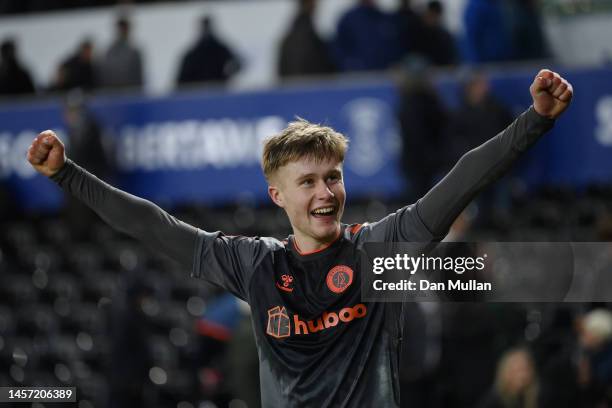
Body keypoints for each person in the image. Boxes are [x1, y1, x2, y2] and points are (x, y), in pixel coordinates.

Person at [26, 69, 573, 407]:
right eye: (307, 182)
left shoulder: (378, 249)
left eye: (333, 177)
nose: (325, 192)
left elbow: (461, 180)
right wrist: (67, 174)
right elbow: (152, 225)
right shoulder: (253, 266)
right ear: (277, 196)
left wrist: (536, 120)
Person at [176, 16, 240, 87]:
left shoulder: (220, 49)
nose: (206, 31)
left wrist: (225, 77)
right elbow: (181, 81)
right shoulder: (192, 53)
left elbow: (236, 64)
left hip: (217, 88)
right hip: (200, 91)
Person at [98, 17, 144, 90]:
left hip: (130, 93)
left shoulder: (134, 52)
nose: (123, 31)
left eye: (125, 29)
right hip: (112, 93)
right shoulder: (110, 52)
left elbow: (139, 79)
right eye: (121, 29)